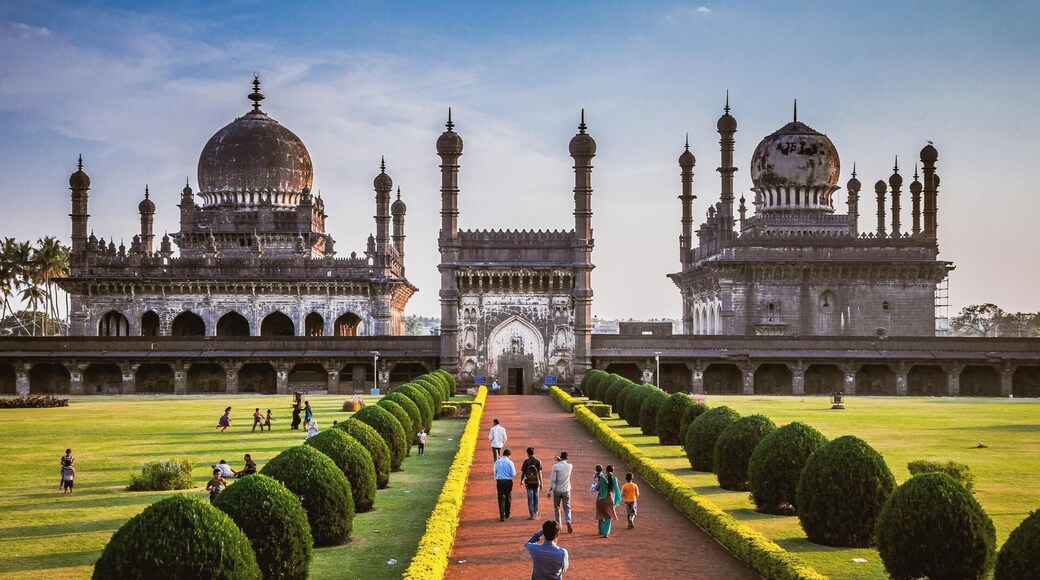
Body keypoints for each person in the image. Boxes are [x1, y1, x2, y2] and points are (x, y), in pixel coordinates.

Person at [590, 464, 622, 538]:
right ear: (613, 471)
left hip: (600, 499)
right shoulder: (614, 479)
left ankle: (601, 531)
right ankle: (606, 532)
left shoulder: (602, 477)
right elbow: (617, 490)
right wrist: (617, 500)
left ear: (606, 470)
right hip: (609, 499)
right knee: (608, 516)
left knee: (600, 514)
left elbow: (597, 488)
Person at [546, 452, 574, 533]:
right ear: (567, 458)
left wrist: (549, 490)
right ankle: (568, 520)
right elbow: (564, 463)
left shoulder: (556, 466)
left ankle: (558, 525)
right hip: (566, 489)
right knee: (567, 507)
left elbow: (553, 480)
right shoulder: (570, 466)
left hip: (557, 490)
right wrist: (560, 460)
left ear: (561, 457)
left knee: (557, 507)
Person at [494, 448, 516, 521]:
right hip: (508, 481)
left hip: (500, 481)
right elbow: (513, 474)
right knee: (508, 497)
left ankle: (502, 515)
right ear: (509, 455)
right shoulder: (510, 462)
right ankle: (507, 514)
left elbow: (495, 472)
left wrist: (497, 477)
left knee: (500, 498)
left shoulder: (497, 462)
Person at [521, 447, 543, 520]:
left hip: (528, 482)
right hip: (536, 482)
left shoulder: (526, 461)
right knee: (536, 496)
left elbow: (523, 472)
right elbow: (539, 473)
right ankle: (536, 512)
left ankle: (531, 513)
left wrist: (521, 481)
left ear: (527, 453)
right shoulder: (538, 461)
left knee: (530, 497)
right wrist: (541, 482)